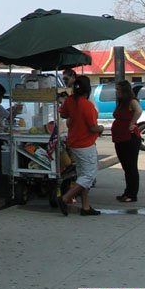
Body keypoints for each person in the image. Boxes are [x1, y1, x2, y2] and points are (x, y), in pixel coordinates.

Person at [59, 75, 104, 215]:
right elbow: (92, 127)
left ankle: (86, 206)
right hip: (86, 144)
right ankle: (66, 197)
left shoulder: (70, 101)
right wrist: (101, 128)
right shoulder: (87, 105)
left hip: (74, 142)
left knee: (82, 175)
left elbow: (64, 115)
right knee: (89, 175)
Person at [111, 80, 142, 203]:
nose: (116, 92)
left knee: (131, 167)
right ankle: (127, 192)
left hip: (129, 138)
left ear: (124, 91)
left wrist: (132, 123)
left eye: (118, 90)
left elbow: (139, 110)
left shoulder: (131, 101)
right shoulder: (121, 103)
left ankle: (132, 194)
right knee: (126, 167)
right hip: (120, 138)